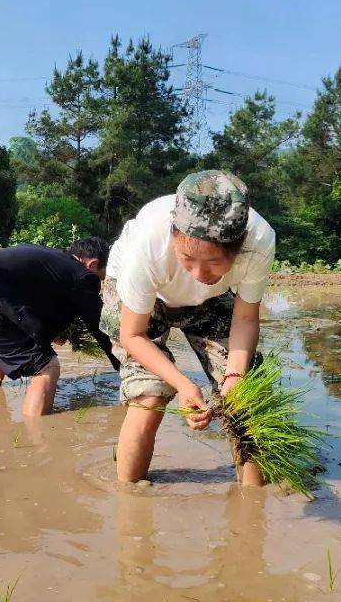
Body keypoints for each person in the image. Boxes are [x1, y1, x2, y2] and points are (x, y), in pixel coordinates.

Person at [102, 170, 275, 485]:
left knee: (244, 400)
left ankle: (254, 502)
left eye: (214, 264)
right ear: (173, 235)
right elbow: (133, 335)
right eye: (187, 258)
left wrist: (234, 377)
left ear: (239, 249)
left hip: (212, 300)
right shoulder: (148, 245)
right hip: (142, 302)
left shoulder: (259, 241)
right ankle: (130, 496)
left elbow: (246, 318)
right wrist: (183, 384)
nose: (198, 273)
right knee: (149, 395)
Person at [0, 237, 119, 416]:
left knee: (1, 346)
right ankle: (34, 438)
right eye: (102, 278)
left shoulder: (46, 258)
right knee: (46, 366)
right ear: (92, 264)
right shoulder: (82, 275)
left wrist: (51, 332)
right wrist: (124, 369)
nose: (99, 284)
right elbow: (101, 329)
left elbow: (28, 308)